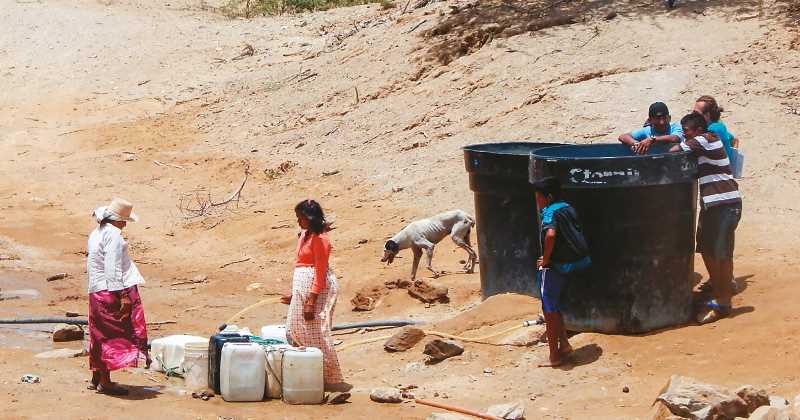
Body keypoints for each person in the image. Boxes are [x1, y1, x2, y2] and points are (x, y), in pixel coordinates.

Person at [670, 113, 742, 324]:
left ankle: (723, 303)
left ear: (698, 130)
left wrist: (677, 141)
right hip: (716, 205)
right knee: (710, 251)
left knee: (720, 254)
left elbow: (674, 150)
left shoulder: (705, 139)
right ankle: (721, 298)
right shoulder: (705, 141)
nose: (685, 136)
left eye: (688, 132)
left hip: (723, 204)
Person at [282, 199, 349, 392]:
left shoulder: (320, 239)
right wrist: (296, 294)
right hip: (303, 290)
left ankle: (330, 378)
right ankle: (311, 375)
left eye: (301, 218)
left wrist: (311, 300)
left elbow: (319, 271)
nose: (298, 222)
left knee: (317, 332)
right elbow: (302, 264)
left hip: (317, 290)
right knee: (295, 330)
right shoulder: (305, 234)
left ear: (309, 218)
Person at [86, 198, 150, 396]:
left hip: (97, 290)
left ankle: (97, 376)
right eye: (124, 221)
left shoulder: (97, 233)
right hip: (110, 291)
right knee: (113, 335)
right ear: (116, 220)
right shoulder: (113, 235)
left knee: (99, 334)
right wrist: (122, 295)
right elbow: (112, 266)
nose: (124, 224)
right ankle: (105, 382)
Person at [532, 177, 591, 367]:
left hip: (555, 266)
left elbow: (550, 235)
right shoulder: (567, 207)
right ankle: (564, 345)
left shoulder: (549, 213)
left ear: (547, 197)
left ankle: (554, 356)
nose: (537, 202)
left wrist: (546, 259)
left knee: (548, 309)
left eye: (538, 198)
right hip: (574, 263)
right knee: (555, 305)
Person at [693, 95, 741, 174]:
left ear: (707, 115)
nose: (692, 115)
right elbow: (734, 139)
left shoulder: (713, 130)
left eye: (696, 113)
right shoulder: (719, 125)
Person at [618, 102, 684, 155]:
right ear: (650, 120)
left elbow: (675, 138)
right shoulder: (647, 130)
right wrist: (636, 144)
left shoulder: (676, 126)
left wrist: (652, 140)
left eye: (664, 118)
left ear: (669, 118)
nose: (662, 122)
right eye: (658, 118)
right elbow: (623, 136)